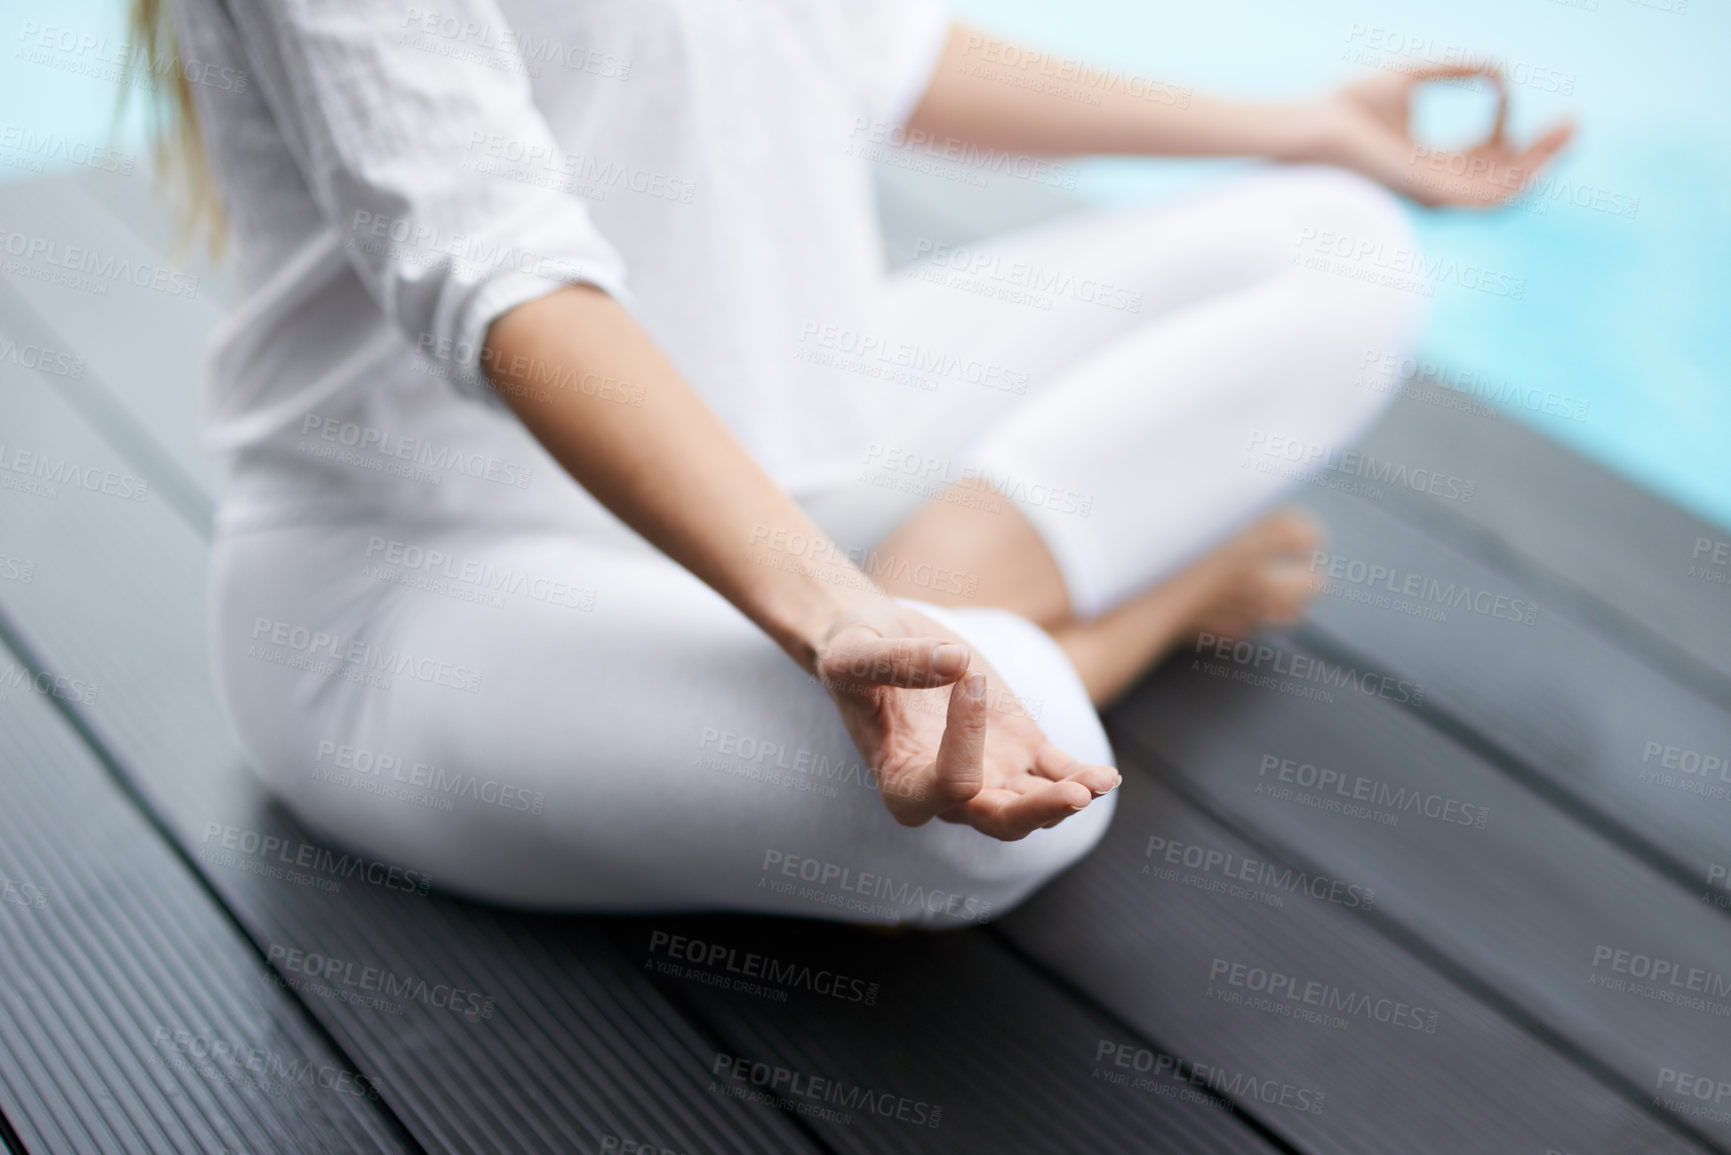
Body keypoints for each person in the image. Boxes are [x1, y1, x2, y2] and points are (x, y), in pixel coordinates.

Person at [143, 0, 1570, 924]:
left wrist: (1302, 123)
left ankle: (951, 594)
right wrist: (836, 613)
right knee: (987, 806)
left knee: (1341, 239)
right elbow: (506, 283)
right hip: (429, 581)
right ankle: (1142, 593)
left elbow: (877, 50)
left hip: (793, 440)